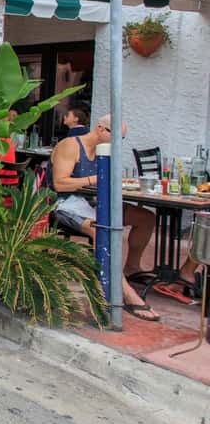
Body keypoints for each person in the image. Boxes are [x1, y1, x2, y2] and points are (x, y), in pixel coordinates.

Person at [50, 114, 159, 321]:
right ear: (101, 129)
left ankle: (131, 267)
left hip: (95, 201)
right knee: (102, 229)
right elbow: (60, 183)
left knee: (145, 218)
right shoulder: (70, 146)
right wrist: (96, 178)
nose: (118, 144)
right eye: (116, 137)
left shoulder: (106, 151)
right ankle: (127, 295)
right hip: (66, 203)